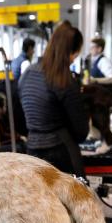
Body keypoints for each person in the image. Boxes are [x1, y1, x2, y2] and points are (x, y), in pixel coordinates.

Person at [18, 20, 88, 175]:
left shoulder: (27, 73)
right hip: (61, 151)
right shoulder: (65, 80)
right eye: (75, 54)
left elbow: (21, 116)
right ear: (70, 52)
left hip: (32, 151)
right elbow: (81, 132)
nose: (74, 59)